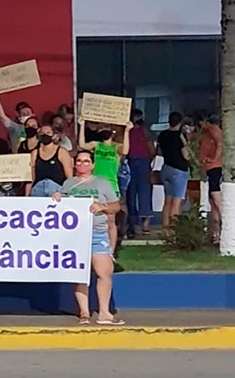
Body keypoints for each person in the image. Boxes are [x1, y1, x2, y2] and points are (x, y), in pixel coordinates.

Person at [52, 150, 124, 326]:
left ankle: (104, 312)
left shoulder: (102, 183)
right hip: (75, 235)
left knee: (104, 272)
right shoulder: (69, 184)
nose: (82, 164)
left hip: (97, 232)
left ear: (92, 165)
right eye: (79, 161)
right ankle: (84, 312)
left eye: (86, 161)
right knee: (80, 274)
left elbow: (116, 206)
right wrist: (57, 197)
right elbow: (61, 206)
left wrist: (102, 206)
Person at [79, 117, 133, 252]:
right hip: (95, 185)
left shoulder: (116, 147)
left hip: (111, 186)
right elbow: (82, 145)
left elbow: (126, 151)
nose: (104, 131)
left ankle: (111, 251)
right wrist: (82, 125)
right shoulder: (96, 145)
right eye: (101, 128)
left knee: (110, 220)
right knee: (94, 219)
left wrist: (127, 131)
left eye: (106, 128)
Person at [156, 112, 190, 230]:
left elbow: (159, 151)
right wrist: (186, 142)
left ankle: (165, 229)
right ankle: (173, 231)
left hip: (166, 168)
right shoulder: (180, 136)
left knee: (167, 201)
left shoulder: (163, 134)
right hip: (179, 170)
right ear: (180, 123)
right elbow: (186, 155)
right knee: (177, 202)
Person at [125, 109, 154, 238]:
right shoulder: (139, 131)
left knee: (134, 193)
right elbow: (151, 148)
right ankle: (141, 226)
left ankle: (135, 226)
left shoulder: (134, 131)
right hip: (139, 161)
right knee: (140, 194)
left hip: (136, 161)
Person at [197, 111, 223, 243]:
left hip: (215, 167)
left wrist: (214, 158)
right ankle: (216, 232)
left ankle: (225, 218)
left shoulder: (214, 130)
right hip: (209, 168)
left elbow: (220, 145)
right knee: (212, 200)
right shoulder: (206, 133)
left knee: (215, 194)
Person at [28, 125, 73, 197]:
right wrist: (28, 194)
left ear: (53, 135)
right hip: (38, 188)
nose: (45, 135)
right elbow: (31, 176)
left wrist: (66, 191)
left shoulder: (62, 152)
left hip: (57, 188)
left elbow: (69, 175)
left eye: (48, 132)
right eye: (42, 133)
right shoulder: (35, 153)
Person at [0, 88, 35, 153]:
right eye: (23, 114)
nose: (26, 115)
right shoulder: (16, 128)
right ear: (19, 117)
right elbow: (2, 116)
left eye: (28, 113)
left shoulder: (40, 129)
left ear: (33, 114)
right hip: (18, 156)